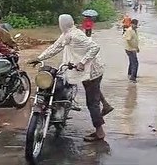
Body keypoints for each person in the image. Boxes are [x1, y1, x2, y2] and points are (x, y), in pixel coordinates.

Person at [28, 14, 113, 142]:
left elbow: (95, 47)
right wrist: (39, 58)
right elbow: (55, 47)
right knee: (92, 90)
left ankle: (100, 132)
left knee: (92, 102)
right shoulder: (67, 34)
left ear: (62, 24)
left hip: (92, 71)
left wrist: (82, 62)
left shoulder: (76, 35)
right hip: (87, 70)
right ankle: (106, 105)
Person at [123, 19, 140, 83]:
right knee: (135, 63)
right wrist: (134, 48)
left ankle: (130, 74)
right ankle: (133, 78)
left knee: (131, 62)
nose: (136, 25)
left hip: (132, 48)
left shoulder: (134, 30)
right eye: (135, 24)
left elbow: (135, 40)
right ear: (131, 24)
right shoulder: (130, 30)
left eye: (136, 24)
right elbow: (128, 40)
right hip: (130, 49)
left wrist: (137, 47)